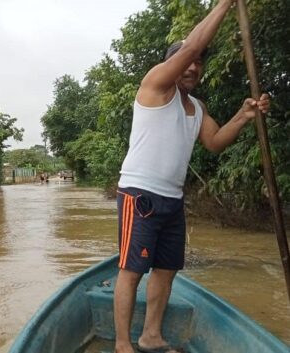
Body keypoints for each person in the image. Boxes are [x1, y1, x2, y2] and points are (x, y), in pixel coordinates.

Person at [113, 1, 270, 353]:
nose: (194, 65)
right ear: (174, 63)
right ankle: (122, 345)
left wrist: (244, 116)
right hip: (140, 194)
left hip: (172, 200)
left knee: (167, 269)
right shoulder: (155, 85)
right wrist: (226, 4)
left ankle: (150, 335)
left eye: (198, 63)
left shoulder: (196, 108)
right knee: (131, 270)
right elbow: (194, 45)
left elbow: (214, 142)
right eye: (188, 60)